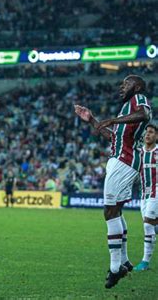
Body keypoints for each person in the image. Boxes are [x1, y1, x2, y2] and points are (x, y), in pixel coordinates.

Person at [74, 75, 151, 288]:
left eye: (126, 83)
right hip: (121, 159)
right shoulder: (126, 108)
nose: (121, 86)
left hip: (124, 161)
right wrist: (91, 119)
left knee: (109, 211)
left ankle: (115, 268)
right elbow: (113, 137)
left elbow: (144, 114)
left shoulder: (138, 99)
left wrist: (115, 120)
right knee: (115, 210)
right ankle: (124, 261)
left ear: (136, 86)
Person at [134, 123, 158, 271]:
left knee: (147, 224)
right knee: (151, 226)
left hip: (157, 192)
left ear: (156, 136)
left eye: (151, 132)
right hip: (144, 194)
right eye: (146, 132)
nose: (147, 134)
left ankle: (145, 262)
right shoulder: (138, 153)